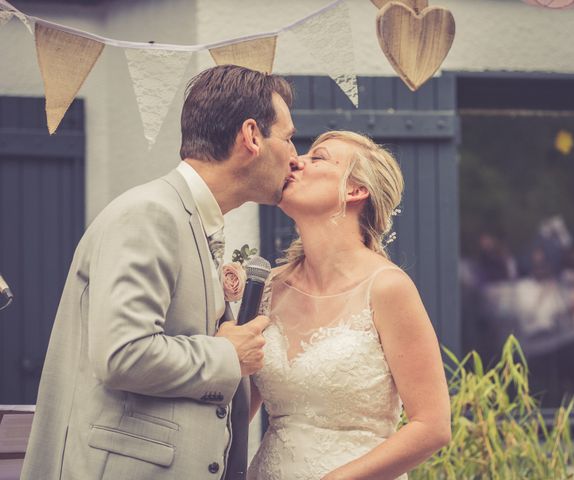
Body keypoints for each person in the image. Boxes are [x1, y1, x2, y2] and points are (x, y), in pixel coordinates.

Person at [21, 65, 301, 480]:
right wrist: (227, 355)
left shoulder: (193, 220)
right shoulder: (150, 214)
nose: (295, 156)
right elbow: (123, 354)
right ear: (252, 136)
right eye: (289, 138)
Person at [247, 131, 451, 479]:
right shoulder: (268, 289)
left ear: (355, 191)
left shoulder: (388, 288)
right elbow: (236, 413)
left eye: (319, 158)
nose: (296, 161)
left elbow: (432, 426)